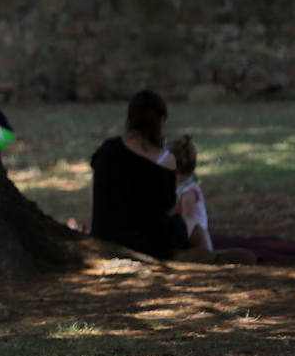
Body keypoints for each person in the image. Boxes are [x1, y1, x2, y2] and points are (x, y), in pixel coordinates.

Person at [88, 90, 189, 258]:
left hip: (104, 236)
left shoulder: (107, 148)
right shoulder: (165, 160)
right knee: (180, 227)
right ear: (160, 121)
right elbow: (169, 208)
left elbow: (94, 198)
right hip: (145, 243)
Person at [168, 135, 257, 265]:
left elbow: (189, 220)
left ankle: (208, 256)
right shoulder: (178, 187)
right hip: (186, 232)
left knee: (199, 241)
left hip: (195, 234)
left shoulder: (188, 191)